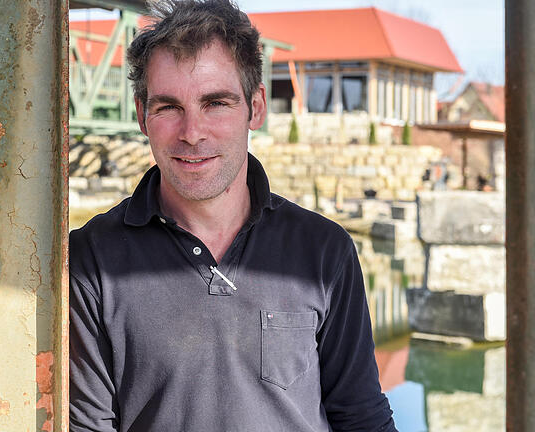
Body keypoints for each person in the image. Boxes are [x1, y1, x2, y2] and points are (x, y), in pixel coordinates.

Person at [69, 0, 396, 430]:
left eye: (216, 103)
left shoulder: (324, 250)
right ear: (141, 116)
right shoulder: (90, 259)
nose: (192, 132)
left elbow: (361, 418)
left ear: (256, 108)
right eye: (168, 107)